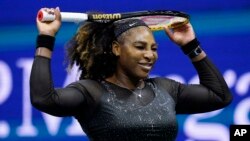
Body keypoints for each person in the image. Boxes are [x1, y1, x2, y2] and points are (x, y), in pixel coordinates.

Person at [30, 7, 233, 141]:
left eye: (154, 48)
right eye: (140, 47)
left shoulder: (166, 89)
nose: (149, 55)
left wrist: (190, 45)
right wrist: (46, 38)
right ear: (117, 49)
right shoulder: (91, 92)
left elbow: (220, 96)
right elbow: (43, 99)